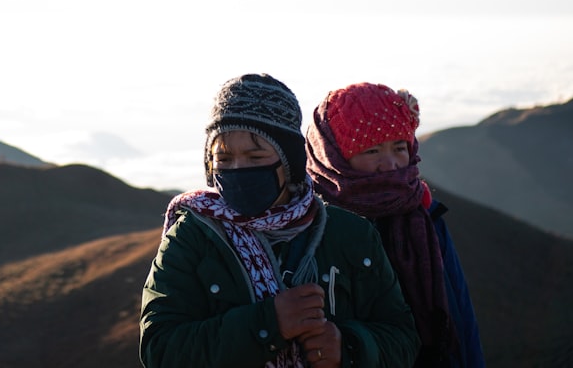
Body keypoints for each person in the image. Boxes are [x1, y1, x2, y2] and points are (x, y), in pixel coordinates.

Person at [140, 73, 420, 368]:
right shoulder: (192, 235)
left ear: (289, 162)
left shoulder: (351, 233)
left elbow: (402, 337)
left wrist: (347, 347)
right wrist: (269, 323)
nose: (238, 168)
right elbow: (159, 349)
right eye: (223, 159)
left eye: (255, 156)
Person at [304, 83, 485, 368]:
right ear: (332, 156)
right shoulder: (309, 229)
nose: (389, 164)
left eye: (399, 147)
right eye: (372, 150)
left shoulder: (426, 218)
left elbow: (461, 315)